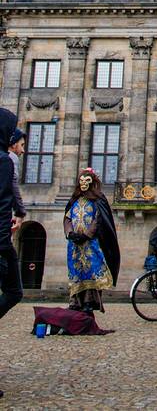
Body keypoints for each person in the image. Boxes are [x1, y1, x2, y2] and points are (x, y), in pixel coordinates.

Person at [63, 168, 120, 314]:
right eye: (81, 181)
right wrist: (70, 233)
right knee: (76, 272)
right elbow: (68, 218)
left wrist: (87, 235)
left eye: (86, 181)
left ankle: (89, 301)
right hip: (75, 245)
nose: (83, 184)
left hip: (91, 243)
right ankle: (75, 302)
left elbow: (98, 219)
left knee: (91, 272)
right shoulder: (74, 199)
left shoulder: (98, 199)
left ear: (92, 182)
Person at [0, 107, 23, 400]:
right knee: (14, 291)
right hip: (1, 241)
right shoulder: (5, 161)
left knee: (15, 291)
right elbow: (4, 200)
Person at [8, 127, 26, 227]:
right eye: (21, 145)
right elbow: (12, 184)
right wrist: (20, 211)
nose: (23, 150)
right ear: (14, 144)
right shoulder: (11, 158)